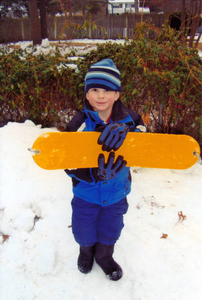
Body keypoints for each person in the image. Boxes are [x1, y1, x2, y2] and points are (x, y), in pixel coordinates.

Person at [65, 58, 146, 281]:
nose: (101, 96)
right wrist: (92, 174)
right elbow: (65, 161)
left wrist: (129, 133)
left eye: (108, 90)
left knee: (111, 228)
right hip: (86, 193)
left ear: (117, 95)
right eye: (95, 89)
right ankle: (86, 252)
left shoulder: (130, 119)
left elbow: (145, 139)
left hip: (117, 192)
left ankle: (104, 256)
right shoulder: (78, 124)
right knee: (83, 228)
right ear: (87, 95)